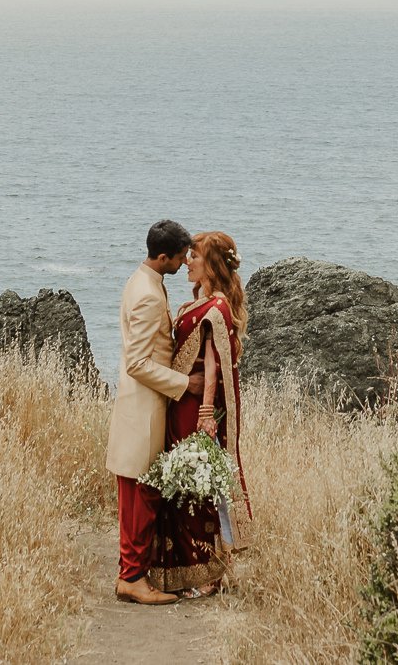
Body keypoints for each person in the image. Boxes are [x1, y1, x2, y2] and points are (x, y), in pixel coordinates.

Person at [149, 230, 251, 597]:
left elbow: (212, 363)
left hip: (196, 408)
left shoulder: (217, 307)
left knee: (199, 487)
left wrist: (207, 412)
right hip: (181, 403)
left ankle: (209, 572)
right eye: (188, 255)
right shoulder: (203, 302)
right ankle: (185, 568)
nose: (187, 261)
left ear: (212, 266)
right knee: (184, 486)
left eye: (194, 256)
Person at [107, 219, 193, 605]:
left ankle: (132, 575)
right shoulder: (148, 295)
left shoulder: (142, 281)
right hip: (143, 411)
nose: (184, 262)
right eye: (180, 257)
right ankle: (132, 579)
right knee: (142, 497)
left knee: (138, 496)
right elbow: (138, 362)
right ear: (163, 257)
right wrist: (183, 384)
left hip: (139, 407)